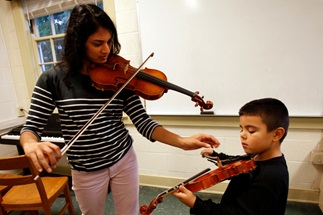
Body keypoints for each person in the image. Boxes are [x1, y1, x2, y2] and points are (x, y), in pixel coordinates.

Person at [19, 4, 219, 215]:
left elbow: (143, 122)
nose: (106, 50)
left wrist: (183, 142)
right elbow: (31, 127)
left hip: (124, 160)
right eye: (98, 43)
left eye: (109, 41)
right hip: (86, 170)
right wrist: (31, 144)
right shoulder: (53, 79)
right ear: (79, 43)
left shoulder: (120, 76)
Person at [173, 98, 289, 215]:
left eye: (251, 131)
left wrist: (195, 203)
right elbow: (238, 162)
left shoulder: (270, 176)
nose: (242, 135)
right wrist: (216, 155)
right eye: (241, 129)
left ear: (277, 134)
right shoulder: (257, 156)